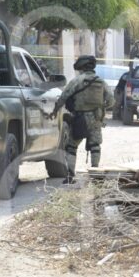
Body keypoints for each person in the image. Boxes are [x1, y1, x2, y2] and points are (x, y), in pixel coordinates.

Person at [50, 55, 113, 183]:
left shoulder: (77, 81)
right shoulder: (101, 82)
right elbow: (111, 100)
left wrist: (55, 110)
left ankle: (70, 176)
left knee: (71, 146)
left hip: (80, 118)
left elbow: (64, 96)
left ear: (82, 67)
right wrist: (101, 108)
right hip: (96, 119)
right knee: (95, 146)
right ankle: (95, 175)